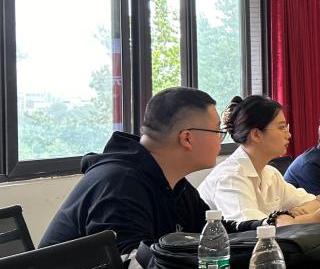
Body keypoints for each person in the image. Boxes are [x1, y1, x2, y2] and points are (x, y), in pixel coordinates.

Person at [40, 87, 264, 256]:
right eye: (217, 131)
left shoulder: (175, 185)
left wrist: (264, 228)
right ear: (187, 138)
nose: (220, 139)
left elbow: (215, 233)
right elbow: (132, 268)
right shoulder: (120, 184)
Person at [199, 95, 320, 225]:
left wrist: (289, 218)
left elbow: (317, 203)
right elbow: (253, 229)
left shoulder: (270, 173)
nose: (289, 135)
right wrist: (312, 218)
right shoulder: (230, 177)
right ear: (256, 134)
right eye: (281, 127)